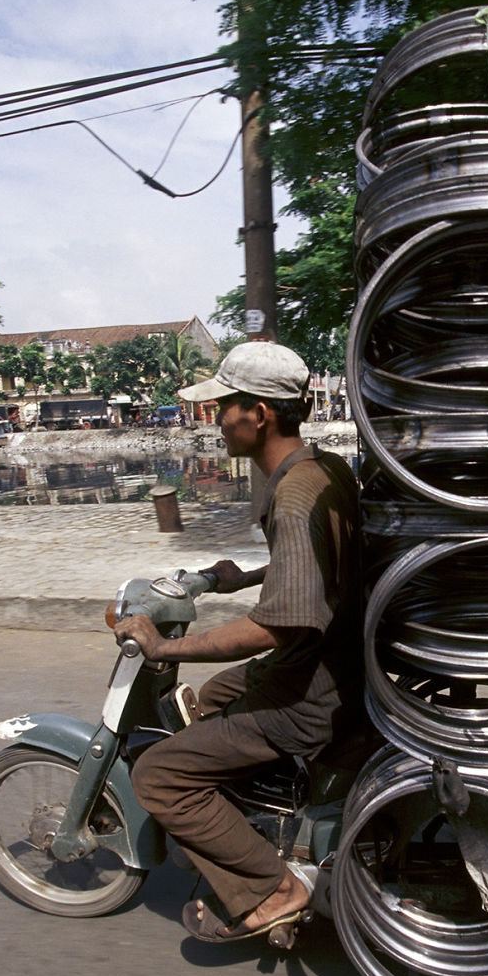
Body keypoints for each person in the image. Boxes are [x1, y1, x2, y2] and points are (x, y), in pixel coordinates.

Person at [114, 341, 362, 943]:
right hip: (337, 663)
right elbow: (323, 568)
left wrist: (163, 647)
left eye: (224, 406)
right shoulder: (323, 469)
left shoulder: (296, 497)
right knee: (212, 694)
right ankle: (252, 810)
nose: (216, 419)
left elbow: (274, 628)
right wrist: (244, 576)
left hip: (308, 696)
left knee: (157, 775)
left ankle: (274, 889)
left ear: (259, 413)